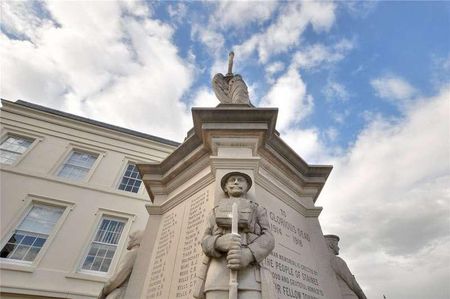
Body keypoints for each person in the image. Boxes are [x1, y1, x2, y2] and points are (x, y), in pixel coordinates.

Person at [195, 172, 275, 299]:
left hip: (249, 272)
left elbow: (269, 237)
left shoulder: (257, 210)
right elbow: (204, 240)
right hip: (218, 273)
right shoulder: (214, 212)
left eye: (240, 180)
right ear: (225, 188)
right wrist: (218, 243)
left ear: (247, 186)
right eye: (232, 180)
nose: (236, 182)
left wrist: (249, 254)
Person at [98, 231, 142, 299]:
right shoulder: (142, 254)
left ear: (136, 240)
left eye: (131, 238)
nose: (129, 241)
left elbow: (118, 277)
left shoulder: (132, 253)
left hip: (120, 294)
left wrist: (104, 291)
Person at [324, 235, 367, 299]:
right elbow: (352, 282)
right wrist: (363, 297)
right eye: (337, 245)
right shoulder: (336, 260)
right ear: (331, 245)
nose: (338, 248)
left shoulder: (322, 262)